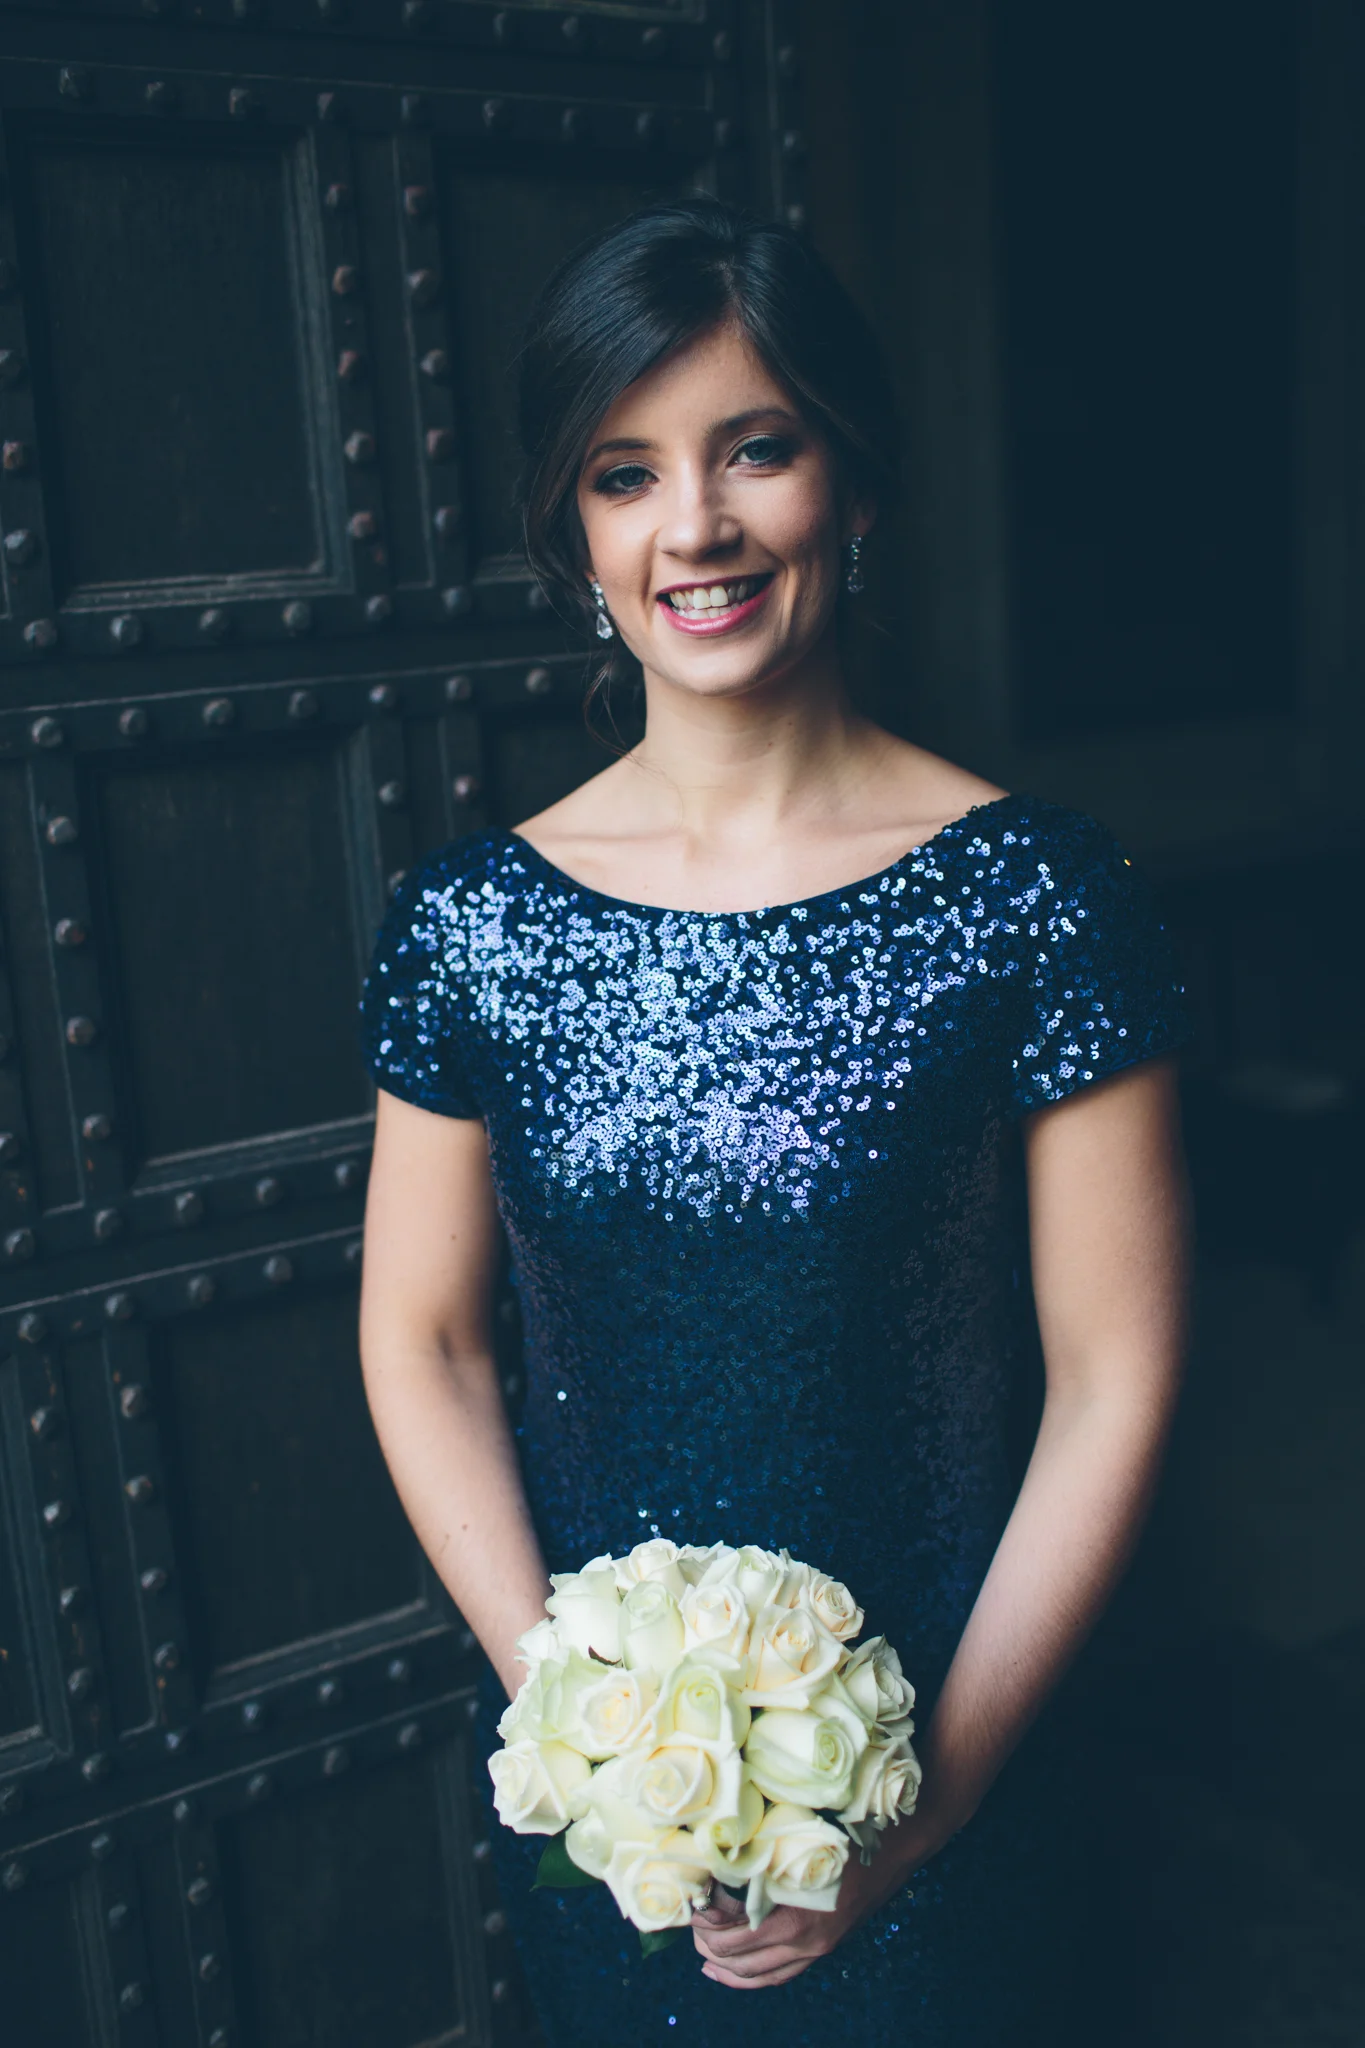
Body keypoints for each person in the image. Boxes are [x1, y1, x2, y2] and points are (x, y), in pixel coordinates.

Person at [357, 198, 1189, 2046]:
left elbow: (1115, 1373)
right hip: (630, 1851)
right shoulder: (470, 929)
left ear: (857, 485)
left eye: (759, 448)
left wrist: (933, 1799)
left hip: (963, 1792)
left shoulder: (1034, 899)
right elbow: (420, 1343)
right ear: (575, 532)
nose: (697, 528)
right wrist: (591, 1740)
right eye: (625, 474)